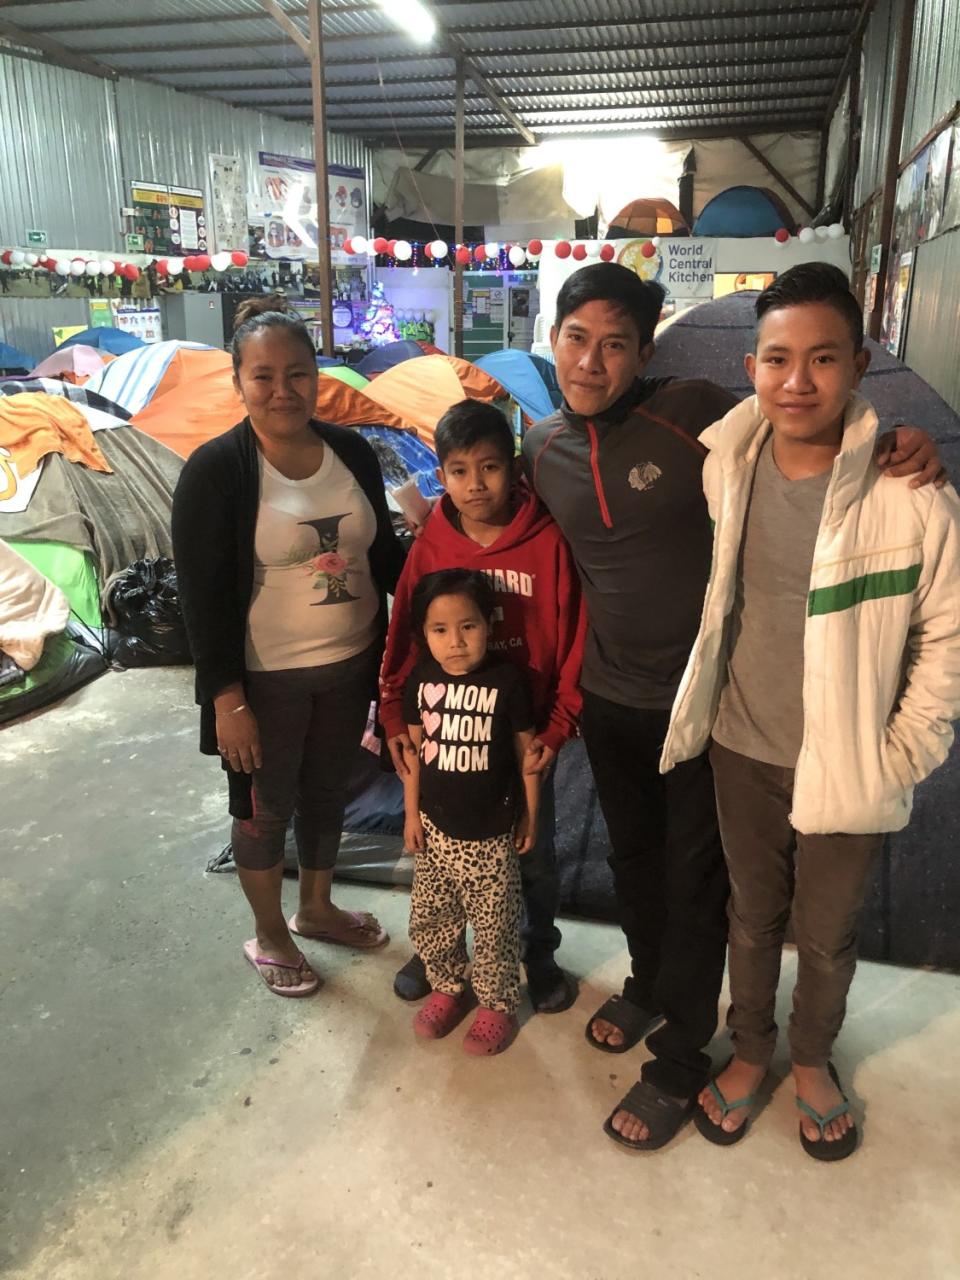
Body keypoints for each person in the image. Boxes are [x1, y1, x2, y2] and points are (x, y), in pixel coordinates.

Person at [521, 261, 945, 1151]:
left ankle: (684, 1054)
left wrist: (899, 440)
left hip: (701, 705)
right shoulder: (542, 448)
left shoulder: (697, 419)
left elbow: (811, 415)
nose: (592, 363)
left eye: (616, 345)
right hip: (613, 700)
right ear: (549, 339)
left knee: (701, 885)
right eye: (575, 340)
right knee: (639, 862)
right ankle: (648, 984)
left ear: (646, 352)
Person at [657, 263, 960, 1160]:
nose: (798, 381)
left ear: (860, 363)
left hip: (850, 760)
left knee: (825, 934)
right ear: (751, 365)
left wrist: (901, 753)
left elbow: (945, 638)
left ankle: (815, 1058)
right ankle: (752, 1051)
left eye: (823, 359)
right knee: (751, 918)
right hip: (741, 742)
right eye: (778, 359)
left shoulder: (912, 496)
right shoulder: (727, 465)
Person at [172, 297, 405, 996]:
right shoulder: (217, 471)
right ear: (237, 382)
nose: (283, 391)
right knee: (263, 807)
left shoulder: (352, 452)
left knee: (327, 793)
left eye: (298, 374)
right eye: (264, 376)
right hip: (261, 680)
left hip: (353, 664)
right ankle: (270, 932)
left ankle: (316, 908)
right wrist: (226, 701)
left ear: (316, 376)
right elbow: (201, 598)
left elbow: (385, 558)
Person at [380, 400, 586, 1013]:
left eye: (491, 468)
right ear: (440, 474)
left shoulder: (547, 542)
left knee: (530, 850)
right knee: (440, 851)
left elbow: (575, 633)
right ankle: (441, 950)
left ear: (515, 468)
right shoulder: (431, 547)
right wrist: (393, 710)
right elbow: (405, 634)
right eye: (460, 470)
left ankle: (535, 951)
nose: (476, 485)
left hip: (521, 739)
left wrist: (560, 720)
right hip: (445, 735)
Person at [400, 569, 540, 1055]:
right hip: (435, 833)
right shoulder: (421, 679)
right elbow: (414, 755)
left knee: (496, 925)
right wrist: (411, 815)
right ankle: (446, 987)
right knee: (431, 917)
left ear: (490, 625)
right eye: (440, 630)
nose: (455, 642)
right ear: (424, 635)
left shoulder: (507, 682)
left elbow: (527, 756)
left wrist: (530, 815)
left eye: (468, 627)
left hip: (489, 838)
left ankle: (497, 1004)